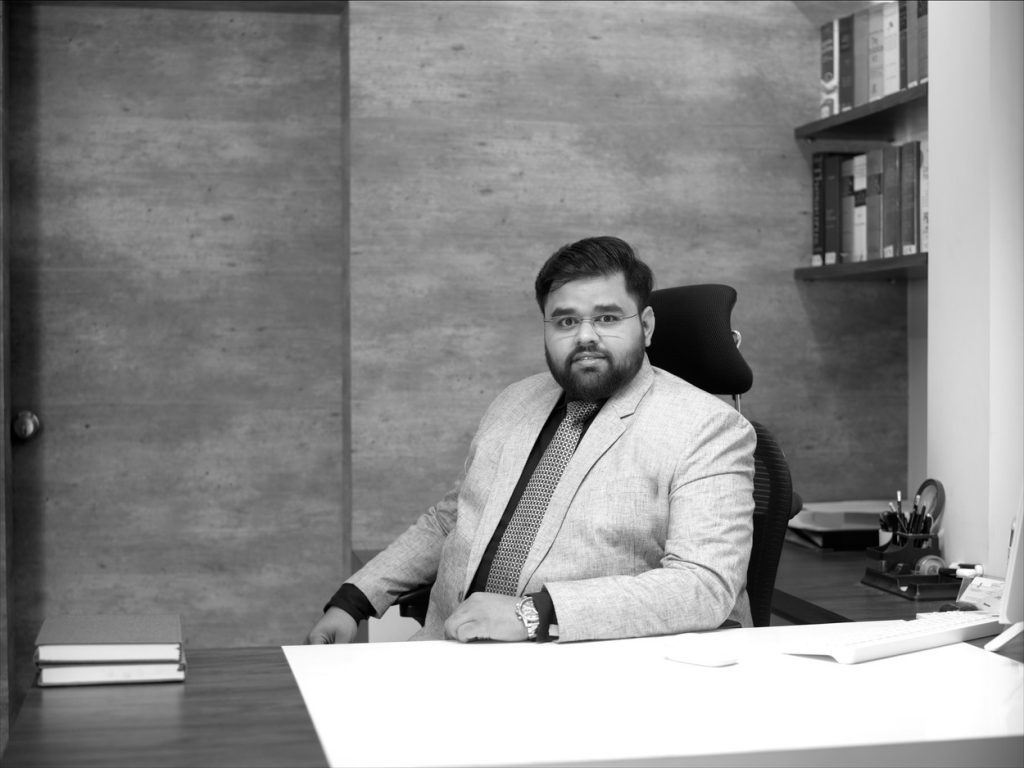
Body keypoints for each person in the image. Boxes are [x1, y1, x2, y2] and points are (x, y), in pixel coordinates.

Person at [307, 235, 755, 645]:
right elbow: (452, 520)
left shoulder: (706, 428)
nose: (585, 336)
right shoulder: (514, 402)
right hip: (445, 653)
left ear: (647, 326)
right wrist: (354, 599)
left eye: (607, 317)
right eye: (566, 321)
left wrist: (533, 614)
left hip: (585, 668)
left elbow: (704, 584)